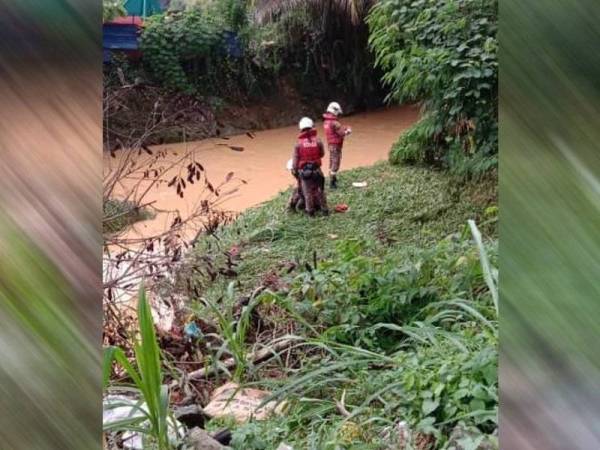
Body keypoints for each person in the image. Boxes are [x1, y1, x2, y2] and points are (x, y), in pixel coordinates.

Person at [291, 117, 329, 216]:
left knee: (307, 193)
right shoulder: (318, 141)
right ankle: (325, 210)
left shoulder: (298, 144)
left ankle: (310, 212)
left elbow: (295, 161)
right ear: (312, 126)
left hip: (305, 172)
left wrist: (295, 171)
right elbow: (322, 154)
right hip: (317, 170)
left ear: (301, 129)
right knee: (320, 190)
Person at [322, 101, 352, 189]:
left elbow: (335, 131)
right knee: (336, 162)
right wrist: (348, 130)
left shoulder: (326, 122)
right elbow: (342, 133)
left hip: (330, 144)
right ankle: (332, 183)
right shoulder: (334, 123)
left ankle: (333, 178)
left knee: (332, 161)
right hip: (336, 145)